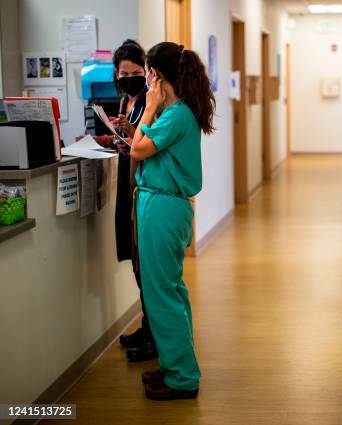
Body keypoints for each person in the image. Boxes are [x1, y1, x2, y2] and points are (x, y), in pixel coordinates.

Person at [130, 41, 215, 400]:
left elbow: (137, 149)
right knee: (169, 291)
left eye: (148, 74)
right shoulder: (178, 112)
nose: (146, 81)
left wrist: (147, 110)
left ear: (159, 76)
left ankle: (182, 378)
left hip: (163, 210)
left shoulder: (175, 114)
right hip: (162, 206)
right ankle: (174, 366)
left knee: (162, 294)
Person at [76, 39, 158, 363]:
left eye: (136, 71)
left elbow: (148, 141)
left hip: (141, 188)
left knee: (146, 265)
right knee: (136, 262)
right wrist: (115, 138)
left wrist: (129, 132)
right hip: (127, 184)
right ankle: (147, 326)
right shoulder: (127, 100)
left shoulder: (149, 102)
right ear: (116, 73)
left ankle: (154, 335)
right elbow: (129, 144)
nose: (129, 77)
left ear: (147, 71)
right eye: (124, 72)